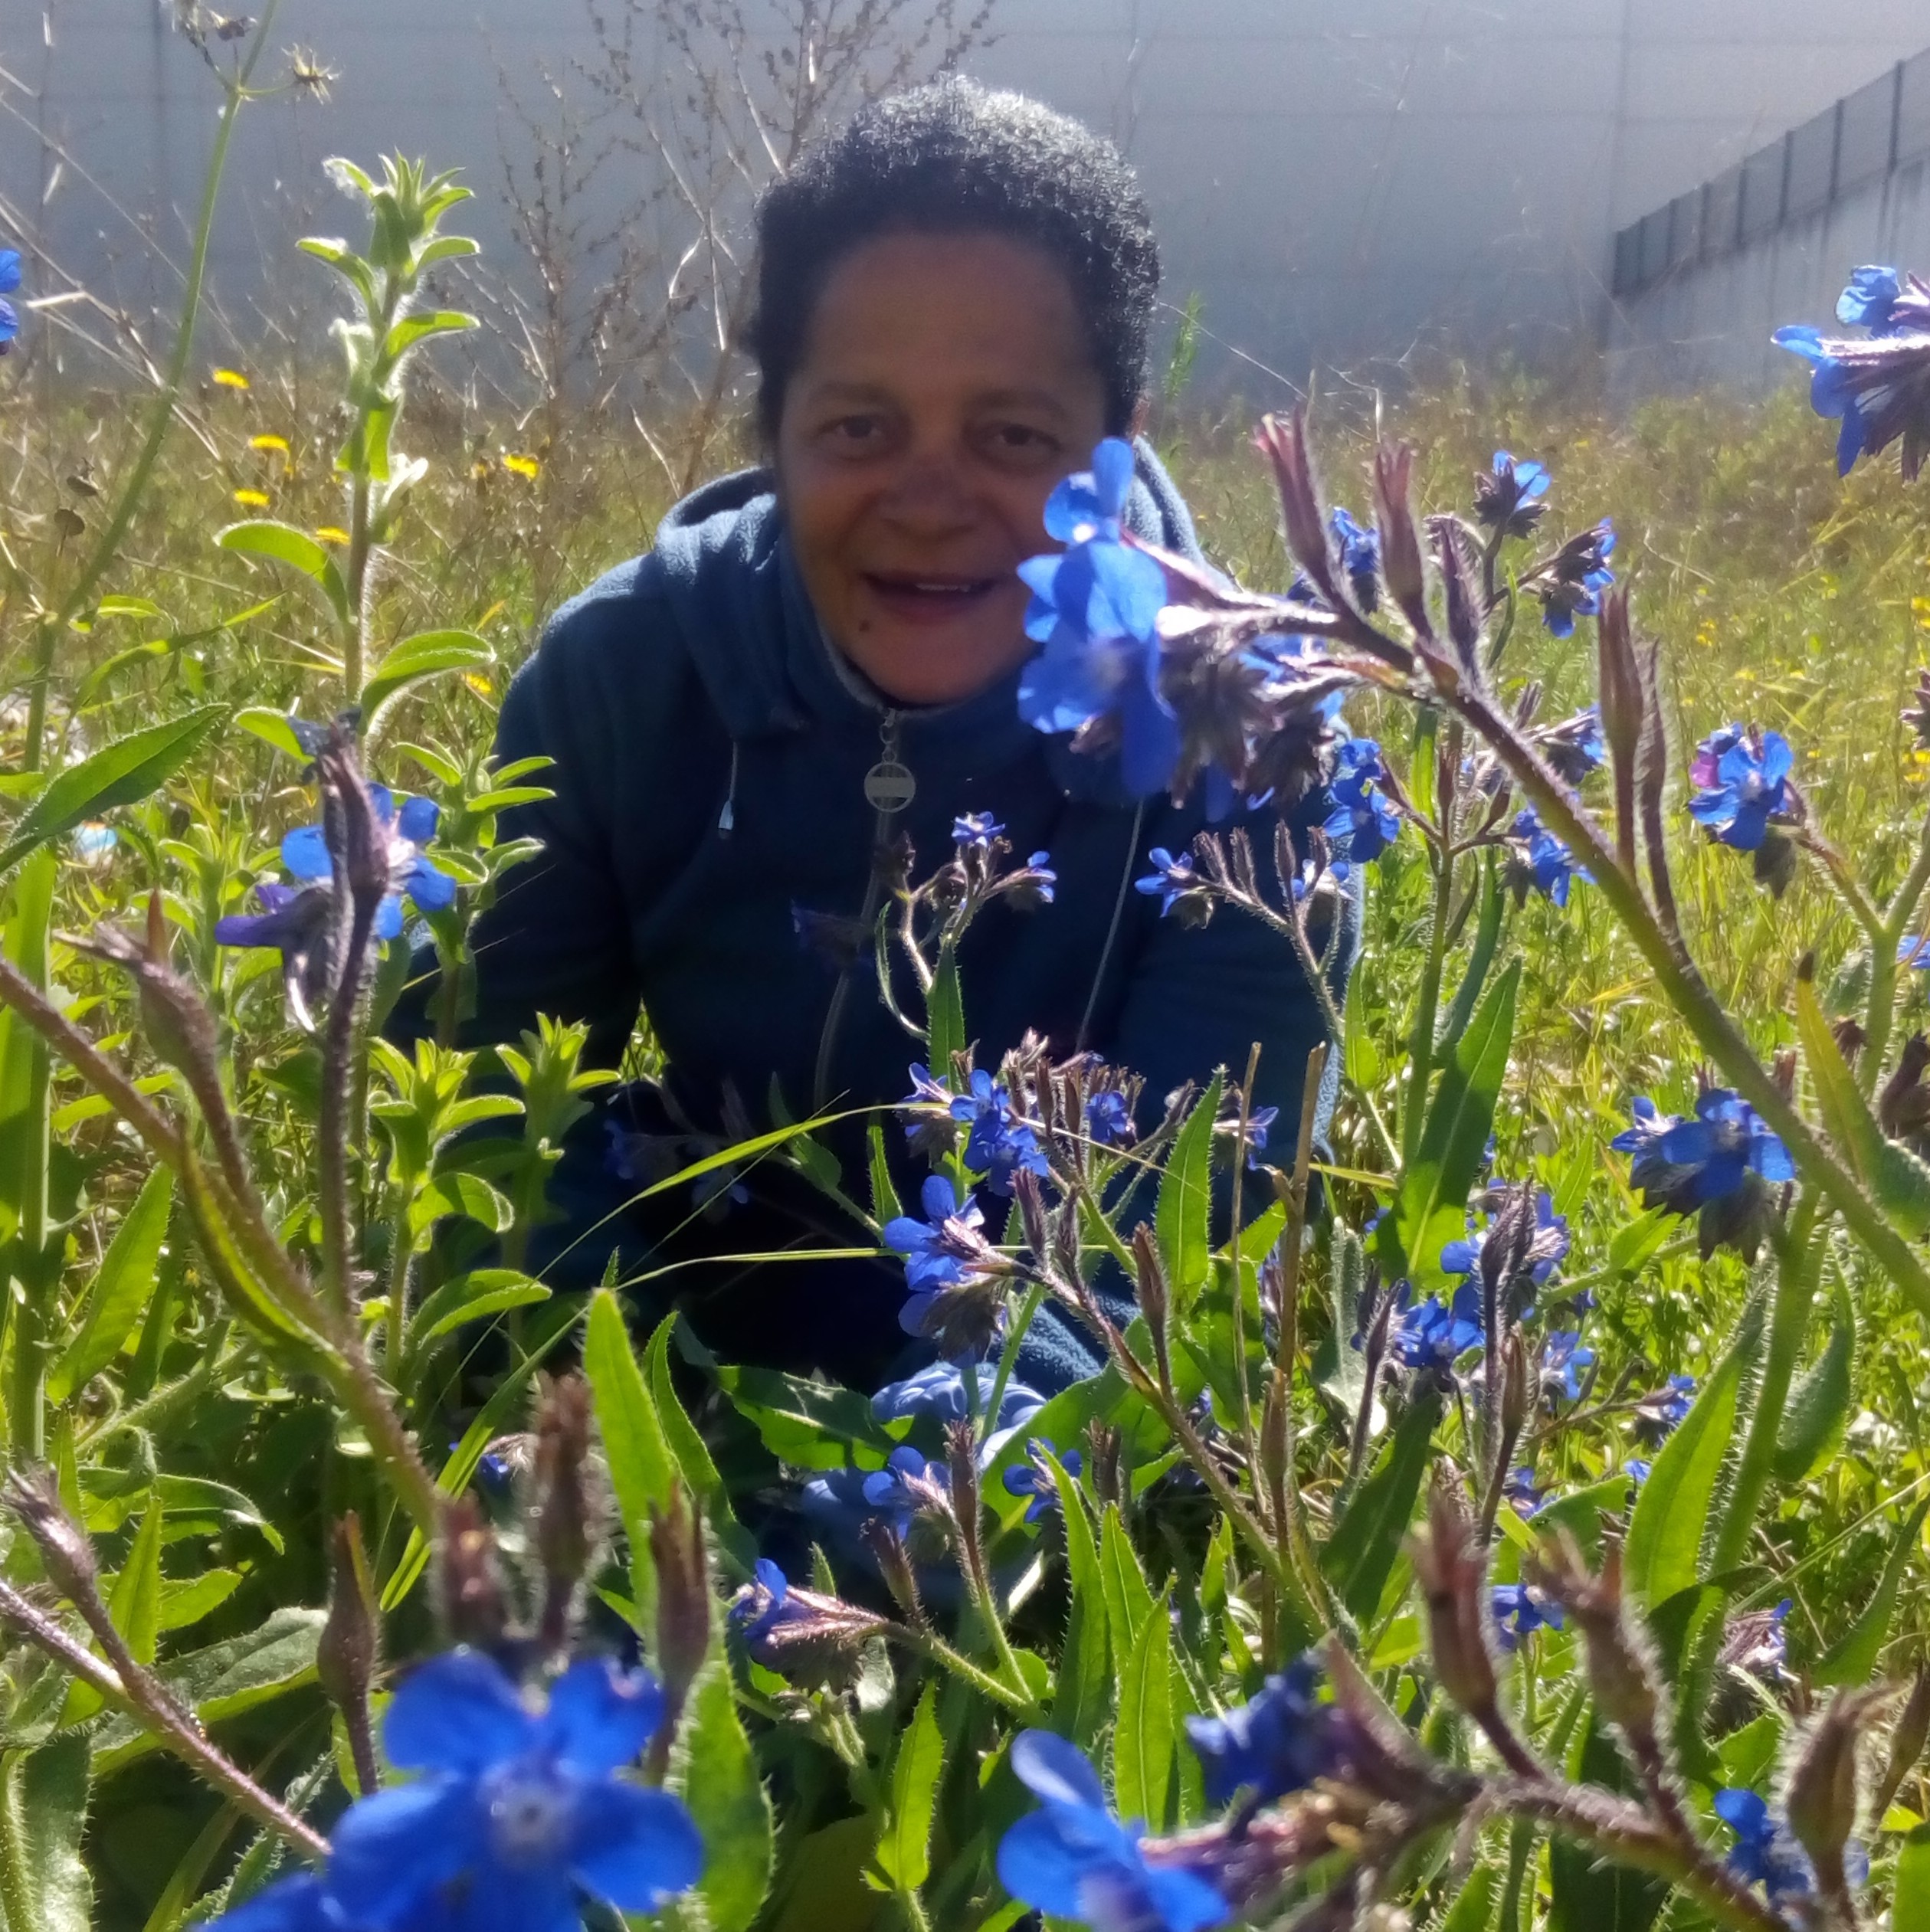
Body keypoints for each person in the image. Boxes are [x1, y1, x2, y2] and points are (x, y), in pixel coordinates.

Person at [432, 79, 1350, 1393]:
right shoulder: (617, 677)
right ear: (774, 430)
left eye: (1012, 434)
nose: (928, 500)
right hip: (684, 1358)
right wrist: (639, 1432)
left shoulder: (1252, 730)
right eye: (859, 426)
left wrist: (926, 1485)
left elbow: (1162, 1231)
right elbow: (498, 1132)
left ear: (1119, 440)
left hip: (1017, 1417)